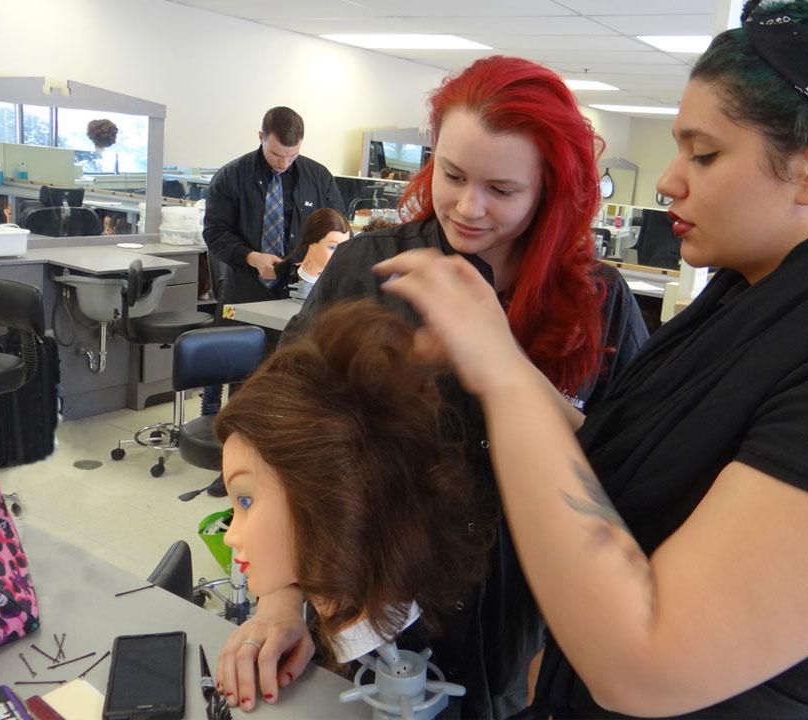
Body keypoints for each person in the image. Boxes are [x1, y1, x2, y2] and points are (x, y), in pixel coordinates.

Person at [372, 1, 808, 717]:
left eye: (703, 154)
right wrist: (489, 362)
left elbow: (647, 665)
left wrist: (507, 378)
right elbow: (626, 469)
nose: (670, 180)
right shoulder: (751, 310)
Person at [217, 56, 650, 718]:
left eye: (502, 190)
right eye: (451, 176)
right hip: (373, 596)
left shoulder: (600, 300)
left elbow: (625, 466)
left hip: (524, 609)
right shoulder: (372, 266)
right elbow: (283, 441)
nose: (468, 208)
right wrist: (281, 595)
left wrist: (502, 363)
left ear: (551, 190)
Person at [214, 301, 489, 707]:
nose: (230, 534)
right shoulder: (338, 609)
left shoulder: (403, 657)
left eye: (247, 501)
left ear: (331, 499)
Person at [203, 106, 345, 308]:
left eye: (293, 155)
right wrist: (253, 258)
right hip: (246, 289)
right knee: (241, 338)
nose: (284, 163)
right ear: (262, 137)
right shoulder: (231, 177)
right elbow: (215, 233)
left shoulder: (319, 178)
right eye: (277, 154)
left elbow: (338, 228)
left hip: (303, 289)